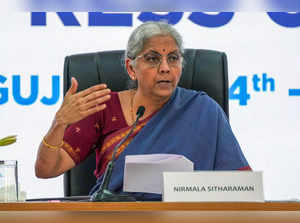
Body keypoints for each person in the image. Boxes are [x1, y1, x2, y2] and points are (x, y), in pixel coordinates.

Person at [35, 21, 251, 201]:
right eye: (153, 58)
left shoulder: (204, 110)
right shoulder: (103, 107)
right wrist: (59, 123)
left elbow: (243, 186)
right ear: (131, 68)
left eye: (173, 58)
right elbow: (46, 170)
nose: (165, 67)